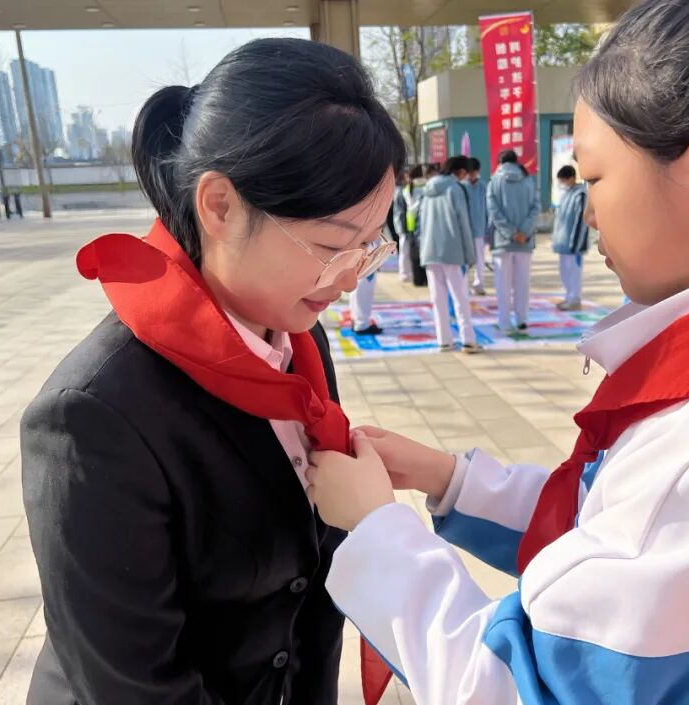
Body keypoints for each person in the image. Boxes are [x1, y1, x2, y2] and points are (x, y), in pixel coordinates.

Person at [304, 1, 689, 704]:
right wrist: (448, 479)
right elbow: (612, 530)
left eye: (594, 177)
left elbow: (514, 687)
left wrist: (376, 529)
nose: (587, 208)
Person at [21, 37, 405, 705]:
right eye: (331, 247)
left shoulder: (299, 344)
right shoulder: (94, 415)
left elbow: (314, 597)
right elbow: (135, 685)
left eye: (369, 247)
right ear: (220, 206)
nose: (350, 280)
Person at [418, 155, 482, 354]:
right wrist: (470, 255)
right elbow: (463, 223)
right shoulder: (456, 189)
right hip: (453, 251)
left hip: (430, 250)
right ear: (460, 171)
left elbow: (420, 223)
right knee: (460, 297)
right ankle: (468, 339)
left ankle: (444, 340)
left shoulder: (427, 189)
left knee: (437, 299)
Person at [486, 150, 539, 331]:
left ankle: (504, 321)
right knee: (522, 284)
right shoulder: (528, 180)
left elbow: (493, 211)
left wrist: (510, 232)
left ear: (500, 162)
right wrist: (523, 231)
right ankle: (522, 319)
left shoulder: (494, 181)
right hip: (525, 241)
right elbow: (536, 207)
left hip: (502, 241)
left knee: (503, 285)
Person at [551, 164, 589, 310]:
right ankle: (568, 297)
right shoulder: (566, 194)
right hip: (563, 243)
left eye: (563, 180)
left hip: (574, 244)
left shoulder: (580, 195)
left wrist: (576, 243)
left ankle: (575, 300)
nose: (562, 183)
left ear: (571, 178)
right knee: (565, 272)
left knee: (574, 273)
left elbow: (581, 220)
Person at [464, 157, 489, 295]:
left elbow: (488, 208)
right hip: (465, 229)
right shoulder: (461, 186)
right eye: (470, 172)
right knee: (465, 259)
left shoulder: (483, 186)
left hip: (479, 228)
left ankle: (479, 284)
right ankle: (464, 285)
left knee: (480, 258)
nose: (472, 175)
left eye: (474, 172)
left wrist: (487, 228)